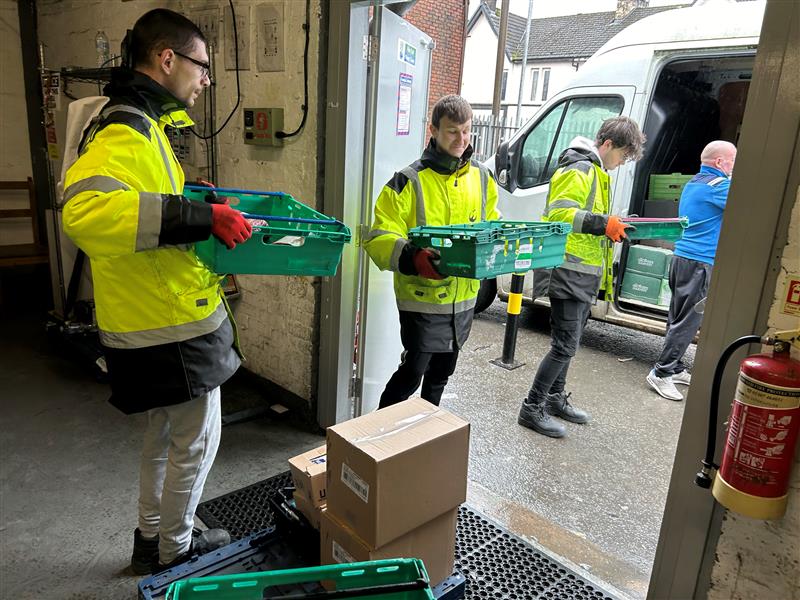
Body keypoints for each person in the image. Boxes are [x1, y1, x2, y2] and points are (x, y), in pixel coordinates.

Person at [62, 9, 252, 574]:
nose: (206, 78)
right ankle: (177, 550)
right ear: (167, 59)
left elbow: (141, 198)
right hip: (168, 323)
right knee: (195, 443)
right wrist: (198, 216)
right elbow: (85, 212)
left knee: (163, 438)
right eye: (201, 65)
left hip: (147, 319)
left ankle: (152, 539)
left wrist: (191, 194)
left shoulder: (142, 125)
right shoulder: (127, 127)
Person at [363, 95, 499, 409]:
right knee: (413, 372)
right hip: (422, 298)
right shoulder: (407, 181)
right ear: (434, 130)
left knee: (442, 373)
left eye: (466, 131)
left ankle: (426, 437)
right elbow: (379, 237)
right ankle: (377, 440)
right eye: (453, 131)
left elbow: (493, 223)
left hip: (463, 299)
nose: (461, 140)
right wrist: (413, 258)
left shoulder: (482, 178)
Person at [518, 116, 646, 438]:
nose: (621, 164)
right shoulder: (581, 168)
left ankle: (554, 398)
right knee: (564, 346)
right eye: (622, 156)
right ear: (607, 145)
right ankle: (531, 408)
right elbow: (559, 213)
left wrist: (611, 225)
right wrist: (604, 223)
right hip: (566, 269)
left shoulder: (596, 172)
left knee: (569, 344)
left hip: (581, 274)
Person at [646, 141, 737, 400]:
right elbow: (748, 205)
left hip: (683, 258)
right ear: (720, 163)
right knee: (688, 322)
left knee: (677, 318)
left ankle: (674, 367)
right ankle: (661, 374)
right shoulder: (720, 187)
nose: (733, 167)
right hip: (700, 263)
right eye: (732, 161)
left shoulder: (694, 183)